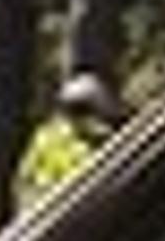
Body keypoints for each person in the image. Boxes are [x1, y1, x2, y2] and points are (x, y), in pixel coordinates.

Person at [14, 66, 124, 206]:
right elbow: (24, 181)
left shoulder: (106, 142)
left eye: (82, 110)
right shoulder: (47, 138)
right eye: (75, 110)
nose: (78, 118)